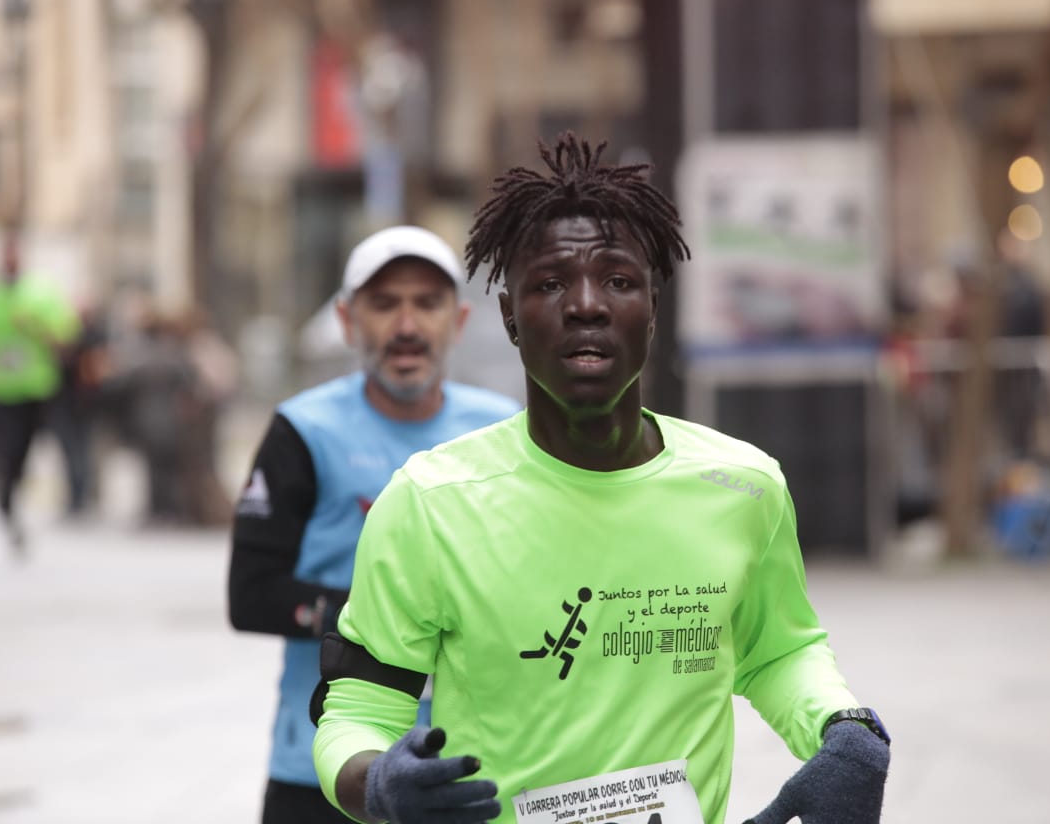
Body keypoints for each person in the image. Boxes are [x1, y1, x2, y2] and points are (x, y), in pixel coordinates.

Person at [310, 135, 891, 824]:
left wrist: (844, 728)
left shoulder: (743, 487)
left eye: (618, 281)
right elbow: (356, 711)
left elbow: (779, 650)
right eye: (551, 283)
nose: (586, 305)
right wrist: (378, 783)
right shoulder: (431, 502)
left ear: (652, 306)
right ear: (509, 316)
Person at [228, 225, 521, 824]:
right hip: (324, 769)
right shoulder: (303, 430)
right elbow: (251, 596)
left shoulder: (502, 430)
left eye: (427, 303)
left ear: (458, 321)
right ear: (347, 320)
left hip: (469, 769)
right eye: (384, 304)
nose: (406, 326)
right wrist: (397, 623)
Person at [0, 232, 81, 552]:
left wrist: (35, 327)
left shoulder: (41, 292)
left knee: (22, 451)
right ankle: (2, 493)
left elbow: (67, 338)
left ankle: (8, 493)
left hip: (33, 388)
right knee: (3, 448)